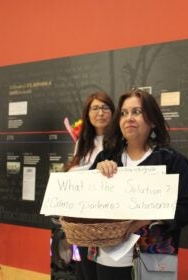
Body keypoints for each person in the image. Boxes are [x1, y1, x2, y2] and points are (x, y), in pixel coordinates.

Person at [81, 88, 188, 280]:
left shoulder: (171, 161)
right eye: (124, 113)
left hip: (153, 260)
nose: (129, 118)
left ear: (152, 120)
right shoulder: (106, 157)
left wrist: (146, 218)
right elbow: (86, 203)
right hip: (107, 260)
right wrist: (97, 174)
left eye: (136, 112)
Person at [65, 91, 115, 280]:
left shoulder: (119, 141)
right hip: (84, 220)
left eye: (104, 108)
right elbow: (74, 172)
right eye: (95, 108)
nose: (100, 113)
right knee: (86, 272)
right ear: (87, 113)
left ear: (112, 112)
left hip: (108, 221)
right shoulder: (82, 142)